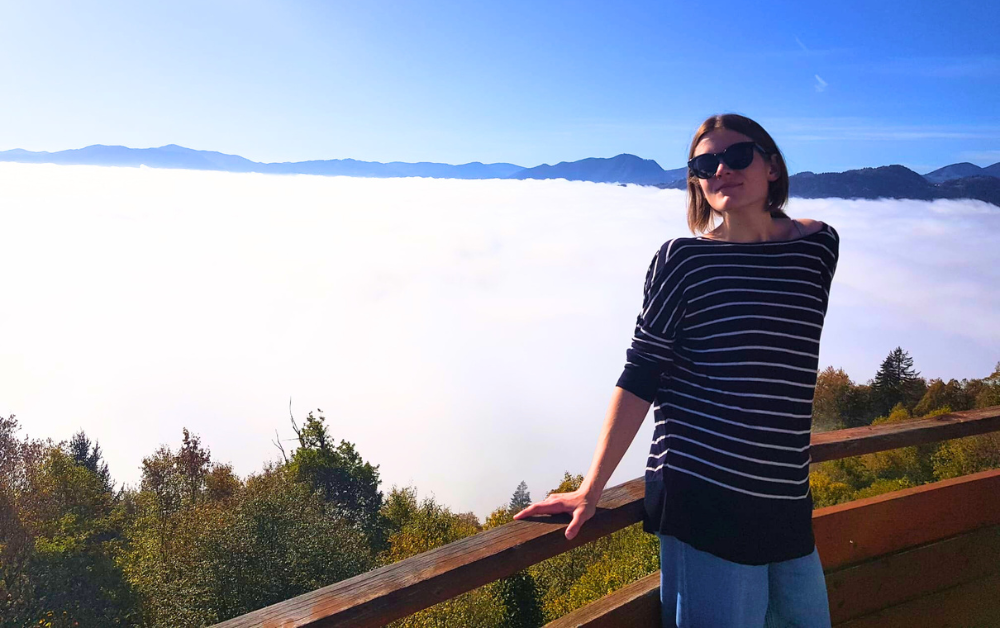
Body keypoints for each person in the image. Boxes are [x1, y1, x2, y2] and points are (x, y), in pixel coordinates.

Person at [514, 113, 839, 627]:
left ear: (772, 166)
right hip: (703, 493)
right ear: (695, 179)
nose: (722, 170)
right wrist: (591, 487)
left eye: (737, 156)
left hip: (786, 497)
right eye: (705, 163)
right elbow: (642, 371)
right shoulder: (682, 261)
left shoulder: (818, 248)